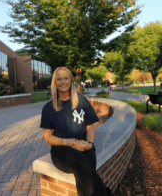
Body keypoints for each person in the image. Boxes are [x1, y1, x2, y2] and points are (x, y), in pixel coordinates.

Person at [40, 67, 112, 196]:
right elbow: (48, 137)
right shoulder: (48, 108)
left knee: (85, 172)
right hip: (61, 151)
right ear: (54, 82)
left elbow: (90, 128)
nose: (63, 82)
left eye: (66, 78)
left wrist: (90, 144)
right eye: (59, 79)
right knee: (82, 163)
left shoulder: (82, 101)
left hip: (83, 146)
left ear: (71, 81)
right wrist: (67, 142)